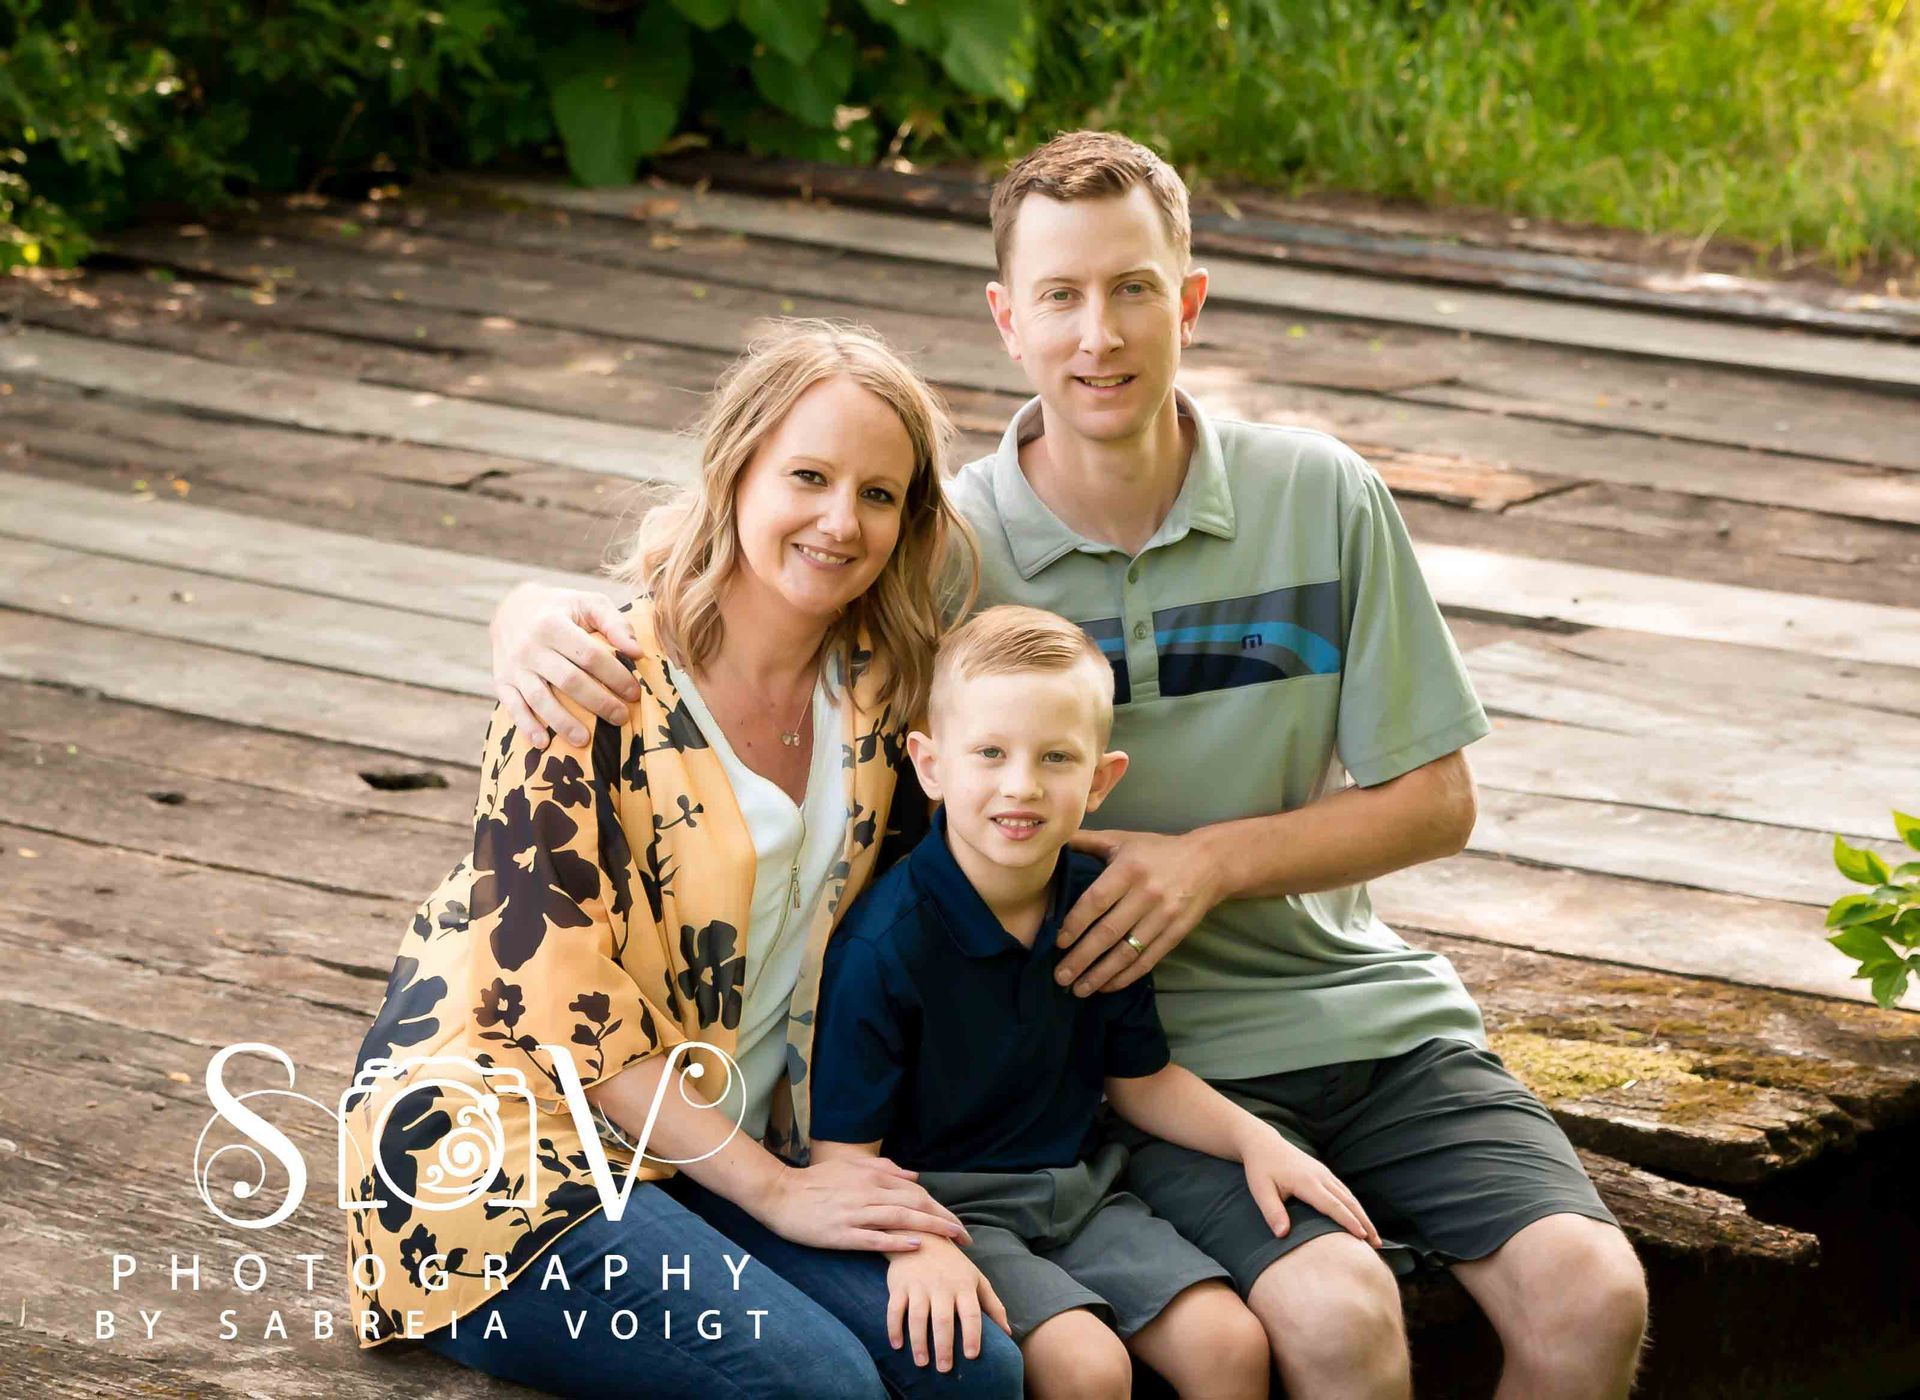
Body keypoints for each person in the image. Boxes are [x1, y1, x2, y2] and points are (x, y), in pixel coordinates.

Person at [488, 133, 1651, 1399]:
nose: (1099, 334)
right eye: (1060, 296)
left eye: (1134, 288)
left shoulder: (1319, 493)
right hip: (1117, 1049)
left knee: (1595, 1293)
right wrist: (525, 611)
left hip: (1357, 1015)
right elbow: (747, 556)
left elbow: (1442, 798)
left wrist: (1206, 865)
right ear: (1007, 320)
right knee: (1314, 1320)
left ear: (1190, 301)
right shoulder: (946, 550)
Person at [339, 319, 1026, 1397]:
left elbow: (906, 945)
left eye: (880, 494)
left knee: (973, 1370)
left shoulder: (886, 695)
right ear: (738, 469)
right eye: (808, 474)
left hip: (718, 1146)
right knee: (822, 1387)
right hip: (515, 1159)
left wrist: (861, 1179)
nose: (841, 520)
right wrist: (781, 1193)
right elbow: (563, 1021)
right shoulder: (581, 689)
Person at [811, 605, 1387, 1399]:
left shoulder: (1096, 908)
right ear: (930, 763)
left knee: (1228, 1343)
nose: (1021, 785)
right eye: (990, 753)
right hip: (947, 1210)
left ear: (1101, 779)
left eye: (1055, 757)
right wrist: (916, 1247)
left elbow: (1140, 1079)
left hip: (1081, 1194)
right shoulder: (887, 945)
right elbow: (842, 1159)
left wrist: (1262, 1143)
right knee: (1087, 1367)